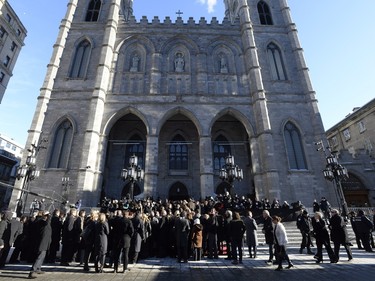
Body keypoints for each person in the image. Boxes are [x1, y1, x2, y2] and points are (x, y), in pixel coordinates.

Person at [28, 211, 52, 279]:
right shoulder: (41, 221)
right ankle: (32, 271)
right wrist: (48, 215)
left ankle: (38, 268)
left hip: (44, 241)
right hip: (42, 242)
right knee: (39, 257)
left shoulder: (40, 221)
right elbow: (47, 222)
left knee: (42, 256)